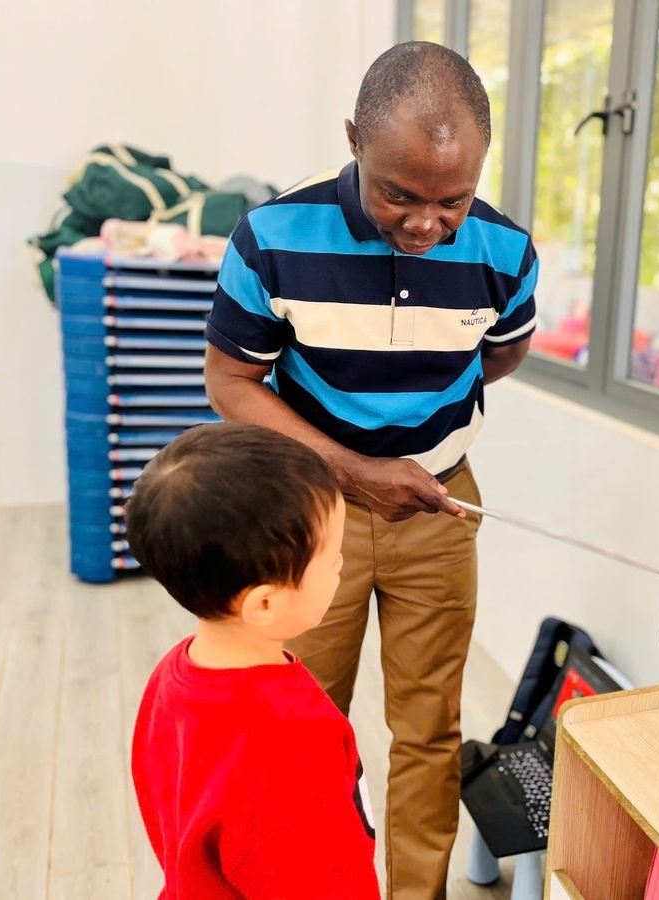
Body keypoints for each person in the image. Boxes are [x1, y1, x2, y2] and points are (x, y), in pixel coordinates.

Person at [203, 41, 537, 897]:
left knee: (429, 730)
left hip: (440, 512)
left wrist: (420, 434)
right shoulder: (271, 237)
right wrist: (351, 469)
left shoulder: (505, 251)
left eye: (451, 200)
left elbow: (500, 356)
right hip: (311, 517)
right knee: (303, 729)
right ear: (354, 139)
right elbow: (230, 382)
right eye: (399, 195)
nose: (425, 226)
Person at [127, 423, 381, 898]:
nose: (341, 565)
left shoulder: (174, 674)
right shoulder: (291, 739)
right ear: (264, 603)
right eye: (332, 558)